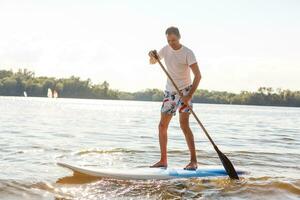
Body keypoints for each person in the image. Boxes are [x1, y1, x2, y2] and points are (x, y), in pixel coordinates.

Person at [148, 26, 202, 170]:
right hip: (170, 93)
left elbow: (198, 76)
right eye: (169, 40)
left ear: (179, 38)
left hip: (185, 91)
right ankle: (163, 160)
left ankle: (193, 161)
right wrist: (152, 56)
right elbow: (153, 62)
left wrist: (189, 95)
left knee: (184, 125)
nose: (171, 43)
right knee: (162, 126)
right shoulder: (165, 49)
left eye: (173, 40)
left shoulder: (188, 53)